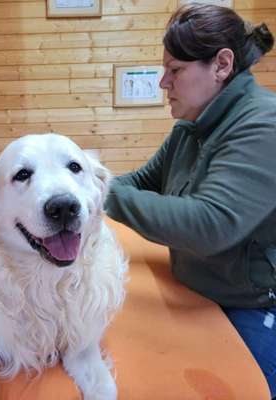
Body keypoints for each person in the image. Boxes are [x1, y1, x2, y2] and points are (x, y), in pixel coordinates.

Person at [104, 3, 276, 398]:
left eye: (175, 70)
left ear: (221, 64)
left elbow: (209, 224)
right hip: (197, 289)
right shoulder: (191, 128)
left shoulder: (264, 125)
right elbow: (143, 181)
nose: (163, 82)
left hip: (251, 305)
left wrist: (92, 193)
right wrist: (85, 181)